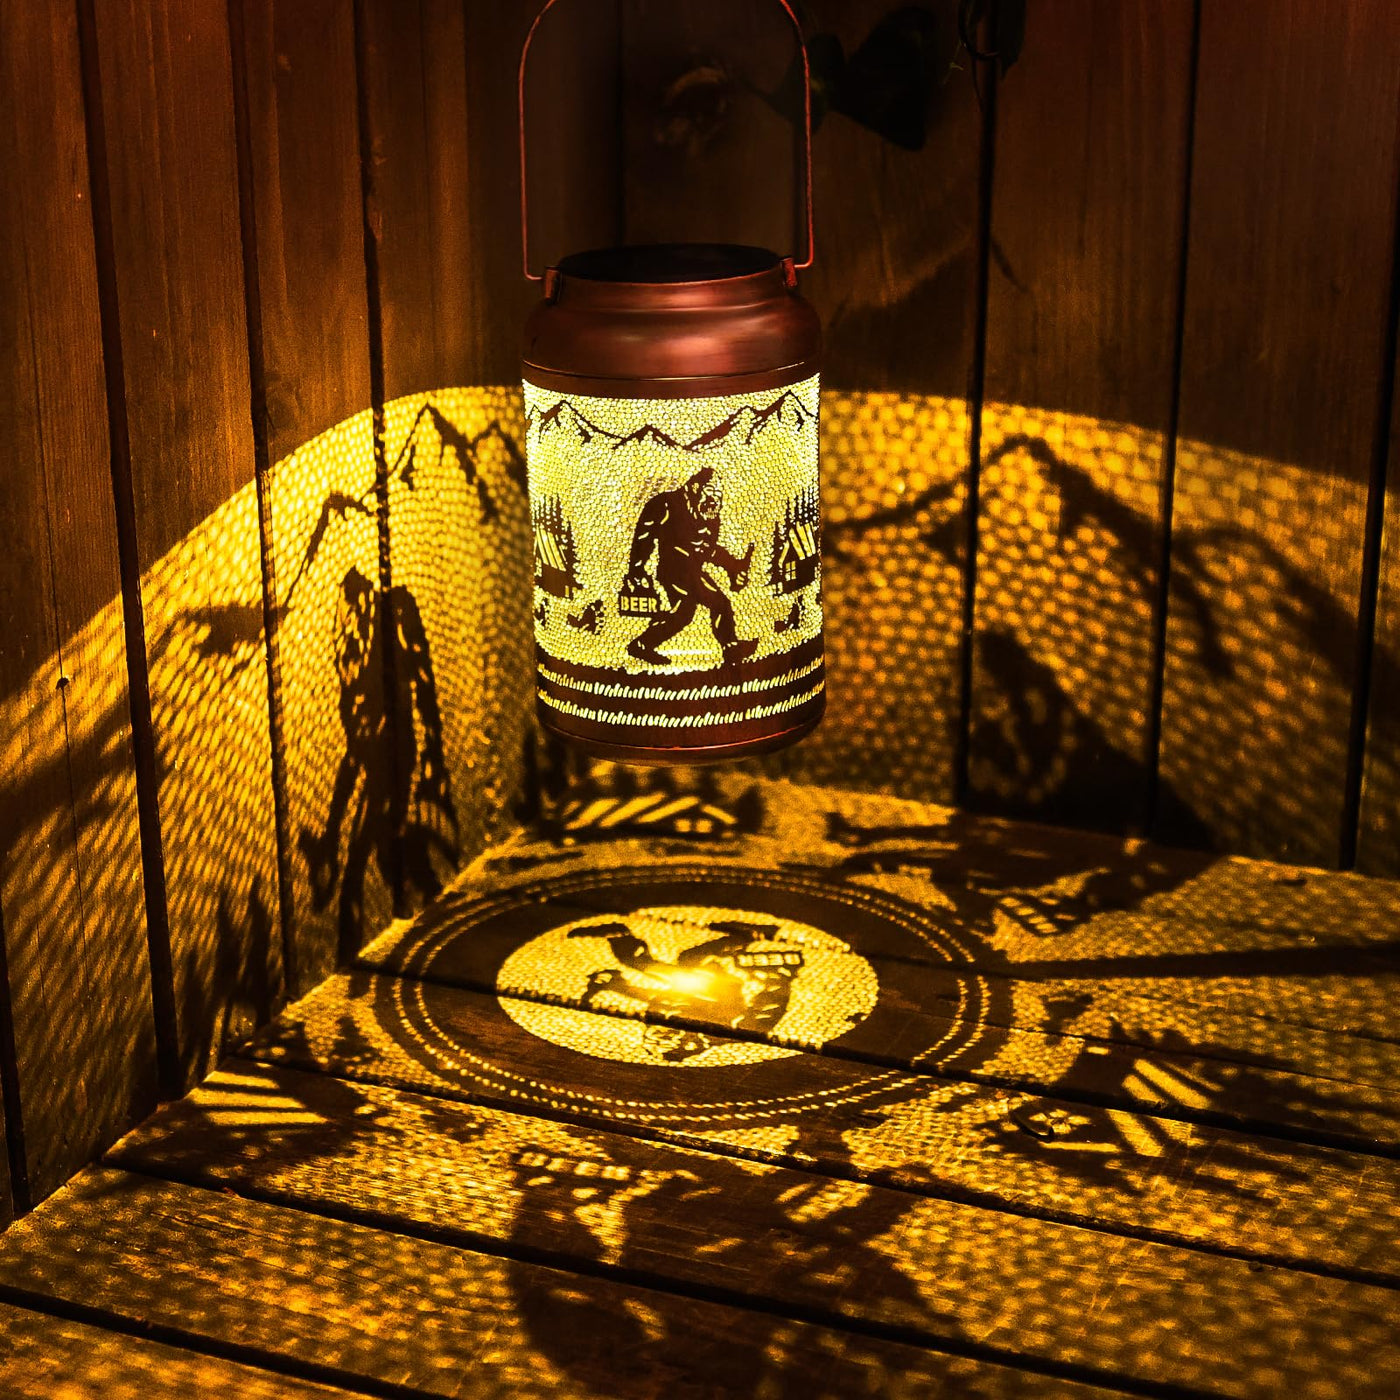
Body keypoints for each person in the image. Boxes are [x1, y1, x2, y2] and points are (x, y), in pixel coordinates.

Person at [622, 466, 757, 667]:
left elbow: (708, 550)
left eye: (718, 494)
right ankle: (641, 645)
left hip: (694, 571)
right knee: (686, 611)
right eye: (709, 492)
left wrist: (733, 567)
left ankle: (731, 649)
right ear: (694, 488)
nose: (714, 500)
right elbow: (644, 536)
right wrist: (636, 570)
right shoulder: (666, 504)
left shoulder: (710, 515)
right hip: (673, 571)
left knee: (714, 605)